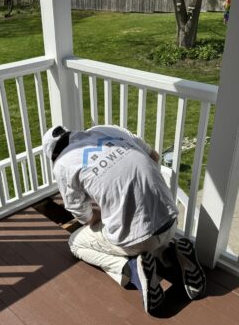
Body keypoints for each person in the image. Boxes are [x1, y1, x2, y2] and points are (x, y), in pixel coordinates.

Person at [42, 125, 206, 313]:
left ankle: (134, 269)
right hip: (170, 221)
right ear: (72, 133)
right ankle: (171, 254)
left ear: (53, 156)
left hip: (136, 242)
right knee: (145, 228)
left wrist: (98, 217)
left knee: (75, 243)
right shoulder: (107, 130)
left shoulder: (62, 164)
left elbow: (80, 211)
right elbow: (154, 156)